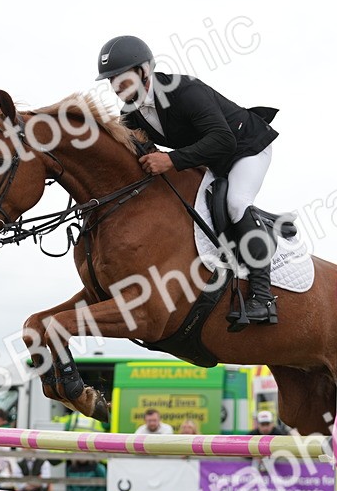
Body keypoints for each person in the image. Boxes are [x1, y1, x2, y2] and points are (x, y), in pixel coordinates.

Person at [98, 35, 280, 324]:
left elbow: (224, 140)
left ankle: (263, 297)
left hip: (246, 147)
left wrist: (171, 160)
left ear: (143, 71)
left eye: (121, 77)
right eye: (111, 80)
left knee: (236, 202)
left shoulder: (184, 90)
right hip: (209, 158)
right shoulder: (130, 114)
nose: (115, 85)